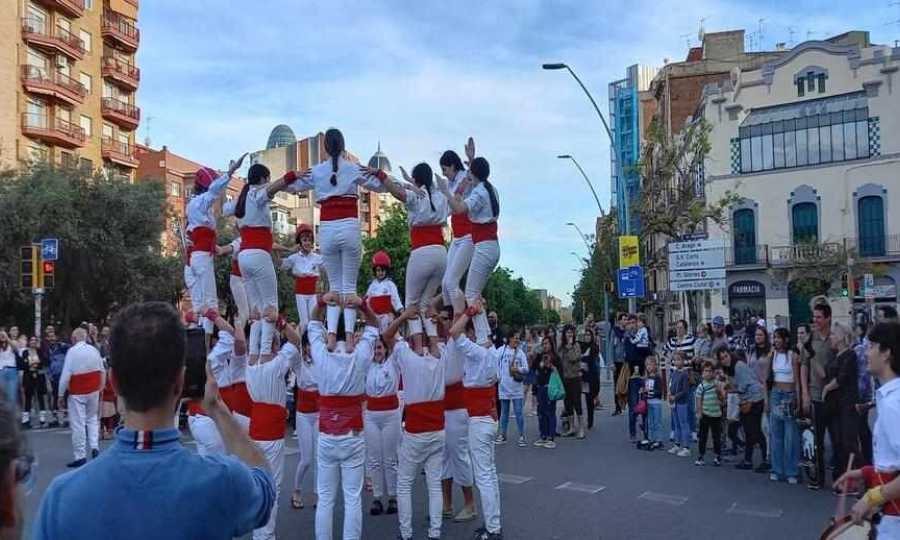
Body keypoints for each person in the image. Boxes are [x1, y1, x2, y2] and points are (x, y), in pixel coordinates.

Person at [33, 301, 275, 540]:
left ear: (113, 382)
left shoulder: (61, 498)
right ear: (180, 382)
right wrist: (217, 409)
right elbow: (265, 484)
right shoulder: (223, 482)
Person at [283, 128, 386, 351]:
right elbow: (379, 185)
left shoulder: (317, 170)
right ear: (343, 145)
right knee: (349, 288)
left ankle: (331, 336)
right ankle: (349, 338)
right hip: (349, 226)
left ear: (325, 148)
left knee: (334, 287)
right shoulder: (353, 168)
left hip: (328, 229)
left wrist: (293, 175)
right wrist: (376, 172)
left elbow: (291, 187)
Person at [308, 292, 379, 540]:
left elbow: (312, 323)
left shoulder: (321, 354)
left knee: (325, 498)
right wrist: (363, 306)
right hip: (353, 435)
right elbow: (374, 326)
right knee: (352, 498)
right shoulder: (359, 355)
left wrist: (320, 301)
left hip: (327, 435)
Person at [383, 307, 446, 540]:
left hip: (416, 431)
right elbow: (443, 338)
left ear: (412, 339)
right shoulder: (440, 358)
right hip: (438, 430)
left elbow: (387, 335)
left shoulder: (407, 357)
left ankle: (406, 533)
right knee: (434, 485)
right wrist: (434, 319)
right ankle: (435, 532)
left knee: (404, 483)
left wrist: (403, 316)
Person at [834, 321, 900, 537]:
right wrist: (865, 473)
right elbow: (893, 465)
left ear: (886, 353)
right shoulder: (889, 399)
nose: (865, 353)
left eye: (871, 346)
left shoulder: (893, 405)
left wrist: (871, 498)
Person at [449, 300, 503, 540]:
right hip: (488, 419)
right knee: (489, 475)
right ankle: (493, 523)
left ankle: (493, 529)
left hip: (479, 421)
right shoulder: (491, 352)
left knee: (484, 477)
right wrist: (478, 313)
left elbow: (453, 332)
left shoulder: (477, 352)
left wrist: (471, 311)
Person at [246, 316, 302, 540]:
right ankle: (266, 536)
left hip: (255, 433)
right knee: (273, 487)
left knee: (257, 486)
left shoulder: (249, 368)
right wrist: (279, 321)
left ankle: (259, 534)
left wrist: (258, 325)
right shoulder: (276, 365)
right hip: (271, 435)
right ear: (276, 345)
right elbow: (297, 340)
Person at [439, 144, 501, 347]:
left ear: (473, 174)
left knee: (471, 293)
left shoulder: (480, 193)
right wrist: (472, 159)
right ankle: (484, 336)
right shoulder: (490, 189)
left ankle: (483, 338)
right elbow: (472, 182)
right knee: (469, 292)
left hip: (483, 246)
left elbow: (458, 208)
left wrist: (446, 193)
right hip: (488, 246)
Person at [382, 163, 449, 350]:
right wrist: (411, 183)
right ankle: (434, 346)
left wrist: (381, 176)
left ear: (416, 179)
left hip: (422, 251)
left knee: (411, 303)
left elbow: (398, 193)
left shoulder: (416, 196)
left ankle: (418, 348)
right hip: (441, 253)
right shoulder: (440, 196)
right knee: (426, 304)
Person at [185, 155, 246, 333]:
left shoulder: (194, 206)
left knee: (199, 305)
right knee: (211, 304)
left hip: (196, 258)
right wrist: (231, 171)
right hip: (202, 257)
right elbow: (213, 192)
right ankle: (204, 350)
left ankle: (195, 348)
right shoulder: (200, 203)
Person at [436, 304, 477, 522]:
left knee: (459, 456)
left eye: (445, 318)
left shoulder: (457, 342)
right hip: (441, 408)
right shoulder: (439, 344)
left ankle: (470, 504)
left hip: (457, 408)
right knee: (443, 457)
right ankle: (447, 504)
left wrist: (466, 312)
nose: (440, 322)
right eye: (440, 318)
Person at [363, 336, 400, 517]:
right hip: (371, 415)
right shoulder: (367, 365)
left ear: (386, 349)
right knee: (374, 459)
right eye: (375, 348)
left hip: (391, 415)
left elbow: (395, 338)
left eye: (380, 348)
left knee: (390, 459)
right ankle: (377, 497)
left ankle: (393, 496)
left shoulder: (393, 363)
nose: (377, 351)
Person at [58, 328, 104, 468]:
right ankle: (95, 446)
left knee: (78, 423)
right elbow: (102, 369)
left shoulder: (72, 352)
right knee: (92, 419)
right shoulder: (94, 350)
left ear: (74, 338)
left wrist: (60, 394)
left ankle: (80, 455)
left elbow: (66, 374)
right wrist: (100, 387)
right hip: (93, 389)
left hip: (78, 390)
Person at [802, 302, 835, 491]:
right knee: (818, 440)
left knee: (837, 438)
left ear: (828, 318)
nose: (815, 320)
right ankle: (819, 477)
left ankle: (839, 475)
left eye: (819, 317)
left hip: (833, 394)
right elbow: (804, 366)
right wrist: (805, 393)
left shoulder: (835, 338)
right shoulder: (810, 339)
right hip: (815, 394)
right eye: (814, 317)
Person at [823, 322, 860, 488]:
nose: (831, 337)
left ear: (841, 337)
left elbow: (842, 378)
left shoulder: (850, 355)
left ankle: (854, 481)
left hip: (847, 402)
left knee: (848, 442)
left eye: (833, 334)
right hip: (835, 404)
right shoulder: (835, 354)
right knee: (837, 441)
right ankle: (841, 477)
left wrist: (827, 388)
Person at [439, 149, 474, 316]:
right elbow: (445, 210)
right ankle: (449, 315)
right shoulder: (449, 184)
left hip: (469, 236)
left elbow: (469, 180)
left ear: (453, 166)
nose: (444, 174)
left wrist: (471, 158)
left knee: (452, 282)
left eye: (445, 170)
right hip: (457, 237)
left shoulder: (464, 177)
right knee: (445, 282)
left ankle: (460, 319)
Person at [765, 328, 802, 484]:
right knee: (776, 433)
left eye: (779, 338)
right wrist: (766, 399)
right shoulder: (772, 355)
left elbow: (797, 379)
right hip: (776, 393)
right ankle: (777, 469)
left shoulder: (792, 356)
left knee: (791, 435)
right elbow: (766, 379)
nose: (776, 340)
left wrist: (799, 398)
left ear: (786, 339)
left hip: (789, 393)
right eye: (775, 338)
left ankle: (792, 470)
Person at [291, 331, 319, 510]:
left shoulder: (322, 360)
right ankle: (296, 490)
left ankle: (318, 494)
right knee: (306, 458)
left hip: (318, 413)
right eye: (306, 344)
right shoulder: (299, 363)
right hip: (303, 414)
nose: (310, 348)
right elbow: (294, 340)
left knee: (318, 458)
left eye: (312, 344)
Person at [730, 349, 769, 472]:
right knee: (748, 431)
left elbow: (743, 385)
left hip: (754, 399)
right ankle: (748, 460)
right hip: (748, 399)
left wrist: (731, 389)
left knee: (755, 431)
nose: (724, 360)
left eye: (725, 357)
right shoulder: (734, 368)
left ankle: (766, 460)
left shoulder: (739, 366)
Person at [281, 223, 324, 330]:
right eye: (304, 240)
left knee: (313, 322)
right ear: (299, 242)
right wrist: (287, 249)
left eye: (309, 240)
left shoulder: (318, 257)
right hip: (300, 292)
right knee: (304, 323)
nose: (307, 243)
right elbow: (281, 265)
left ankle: (311, 344)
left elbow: (329, 268)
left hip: (313, 292)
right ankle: (297, 344)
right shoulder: (294, 258)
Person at [496, 329, 528, 446]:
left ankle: (522, 435)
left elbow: (526, 368)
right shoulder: (501, 351)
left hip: (516, 388)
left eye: (518, 338)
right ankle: (503, 434)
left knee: (519, 412)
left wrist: (518, 369)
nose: (517, 339)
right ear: (509, 338)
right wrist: (498, 377)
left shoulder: (520, 353)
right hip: (504, 387)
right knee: (504, 412)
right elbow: (495, 364)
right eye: (515, 337)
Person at [695, 361, 724, 466]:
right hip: (705, 414)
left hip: (716, 414)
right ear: (702, 373)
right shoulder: (701, 386)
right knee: (703, 436)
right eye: (706, 371)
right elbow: (698, 400)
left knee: (717, 437)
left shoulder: (717, 384)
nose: (708, 373)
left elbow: (722, 399)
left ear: (713, 372)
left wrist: (719, 392)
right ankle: (701, 455)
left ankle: (717, 456)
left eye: (710, 371)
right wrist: (699, 413)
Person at [366, 251, 404, 332]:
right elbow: (367, 299)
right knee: (373, 331)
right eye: (378, 270)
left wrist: (401, 310)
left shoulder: (390, 284)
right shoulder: (372, 285)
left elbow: (395, 299)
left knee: (386, 329)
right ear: (375, 271)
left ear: (386, 271)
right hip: (374, 315)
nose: (380, 273)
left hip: (387, 315)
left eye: (383, 270)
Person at [854, 322, 875, 466]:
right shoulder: (859, 348)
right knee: (864, 431)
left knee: (865, 431)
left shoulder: (862, 348)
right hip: (864, 395)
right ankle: (867, 463)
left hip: (867, 395)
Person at [533, 337, 561, 449]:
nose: (545, 346)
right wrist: (537, 359)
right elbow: (534, 368)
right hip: (540, 386)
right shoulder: (540, 356)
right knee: (541, 412)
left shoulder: (555, 357)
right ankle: (543, 435)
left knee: (550, 412)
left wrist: (551, 366)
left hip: (550, 387)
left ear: (551, 344)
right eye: (543, 344)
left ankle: (551, 436)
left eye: (547, 343)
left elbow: (559, 372)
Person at [559, 325, 584, 439]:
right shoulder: (562, 347)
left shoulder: (576, 345)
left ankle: (581, 428)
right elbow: (559, 358)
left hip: (575, 377)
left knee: (577, 402)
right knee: (567, 403)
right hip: (565, 377)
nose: (569, 334)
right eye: (567, 332)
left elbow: (574, 358)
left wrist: (569, 347)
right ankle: (572, 427)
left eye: (571, 333)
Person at [19, 336, 48, 429]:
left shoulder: (40, 351)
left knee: (40, 396)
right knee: (28, 397)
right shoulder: (25, 352)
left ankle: (42, 419)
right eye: (31, 340)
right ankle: (25, 420)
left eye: (35, 340)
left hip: (39, 375)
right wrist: (31, 363)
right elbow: (23, 364)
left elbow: (43, 362)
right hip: (28, 376)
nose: (33, 342)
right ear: (29, 342)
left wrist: (34, 363)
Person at [667, 352, 692, 457]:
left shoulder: (685, 374)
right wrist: (669, 394)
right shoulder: (673, 373)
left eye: (679, 359)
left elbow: (685, 391)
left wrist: (675, 396)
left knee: (683, 423)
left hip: (682, 402)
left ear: (683, 361)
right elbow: (670, 384)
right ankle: (677, 444)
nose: (676, 362)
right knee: (676, 424)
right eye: (675, 360)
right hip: (673, 403)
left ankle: (686, 447)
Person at [580, 329, 601, 430]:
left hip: (591, 377)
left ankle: (590, 420)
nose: (587, 337)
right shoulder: (581, 346)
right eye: (586, 335)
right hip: (582, 377)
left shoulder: (594, 347)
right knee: (582, 399)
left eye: (589, 335)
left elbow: (593, 363)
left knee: (589, 399)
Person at [642, 356, 664, 450]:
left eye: (651, 364)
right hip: (649, 402)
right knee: (650, 421)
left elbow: (660, 391)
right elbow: (644, 390)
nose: (649, 367)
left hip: (656, 402)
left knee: (657, 422)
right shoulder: (646, 378)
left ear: (655, 365)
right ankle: (651, 438)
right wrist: (643, 391)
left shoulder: (657, 378)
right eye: (647, 365)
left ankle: (658, 440)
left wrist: (652, 391)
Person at [610, 314, 628, 415]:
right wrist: (611, 362)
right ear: (620, 321)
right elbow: (611, 347)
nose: (626, 321)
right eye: (624, 319)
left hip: (626, 362)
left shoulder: (628, 332)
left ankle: (625, 404)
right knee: (617, 384)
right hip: (617, 362)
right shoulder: (615, 331)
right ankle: (617, 407)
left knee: (627, 384)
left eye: (626, 319)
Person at [0, 332, 16, 407]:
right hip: (1, 371)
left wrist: (6, 337)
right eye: (1, 335)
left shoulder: (11, 344)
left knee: (11, 394)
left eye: (3, 335)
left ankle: (10, 414)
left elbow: (15, 348)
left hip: (11, 370)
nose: (2, 336)